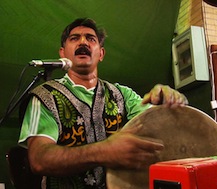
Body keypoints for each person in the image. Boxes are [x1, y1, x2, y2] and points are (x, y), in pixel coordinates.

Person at [18, 18, 188, 189]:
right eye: (74, 38)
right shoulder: (45, 96)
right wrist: (104, 151)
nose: (83, 42)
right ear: (62, 53)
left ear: (101, 54)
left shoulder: (122, 94)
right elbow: (39, 160)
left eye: (91, 39)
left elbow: (157, 127)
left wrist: (163, 106)